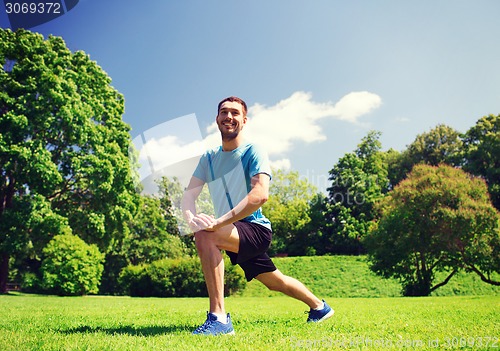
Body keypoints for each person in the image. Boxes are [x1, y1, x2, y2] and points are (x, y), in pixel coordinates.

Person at [181, 96, 333, 336]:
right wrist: (192, 219)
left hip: (255, 230)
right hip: (231, 231)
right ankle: (320, 308)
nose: (228, 117)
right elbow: (189, 195)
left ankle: (219, 319)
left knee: (206, 236)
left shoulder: (253, 150)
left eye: (234, 113)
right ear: (217, 119)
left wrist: (218, 223)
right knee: (275, 282)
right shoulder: (209, 157)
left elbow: (260, 194)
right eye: (224, 112)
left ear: (244, 120)